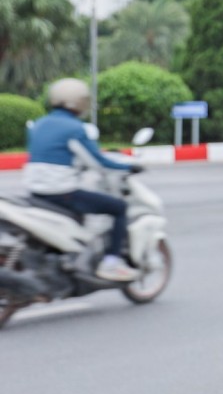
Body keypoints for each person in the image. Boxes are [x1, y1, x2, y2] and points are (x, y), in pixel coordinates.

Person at [24, 78, 142, 282]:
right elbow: (99, 163)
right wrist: (128, 167)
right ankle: (111, 263)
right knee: (119, 207)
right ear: (79, 101)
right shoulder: (74, 128)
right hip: (61, 192)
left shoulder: (38, 124)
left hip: (35, 191)